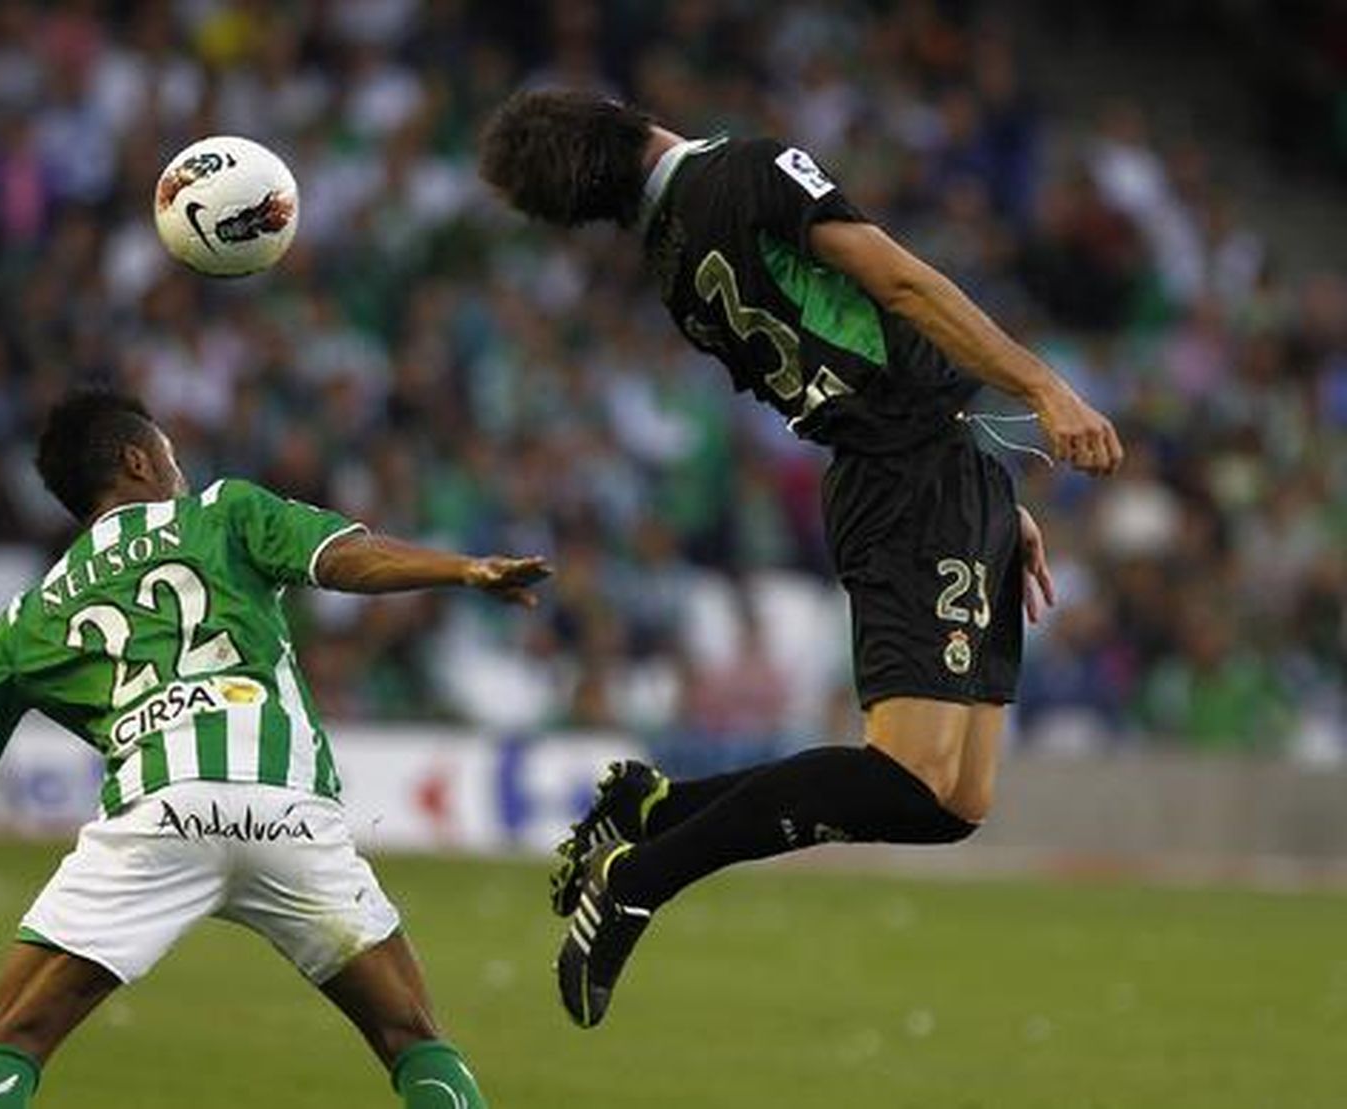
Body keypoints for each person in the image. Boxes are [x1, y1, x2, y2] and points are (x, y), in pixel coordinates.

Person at [479, 88, 1123, 1028]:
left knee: (952, 802)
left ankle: (653, 810)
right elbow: (897, 283)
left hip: (937, 470)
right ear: (615, 114)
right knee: (905, 774)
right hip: (906, 481)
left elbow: (858, 354)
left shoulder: (670, 261)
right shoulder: (742, 171)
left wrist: (983, 491)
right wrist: (1044, 386)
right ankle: (642, 876)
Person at [0, 390, 549, 1107]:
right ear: (138, 460)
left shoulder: (30, 615)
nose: (180, 469)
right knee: (412, 1033)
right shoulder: (223, 510)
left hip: (158, 818)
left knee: (13, 1038)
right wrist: (460, 569)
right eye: (171, 455)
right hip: (287, 816)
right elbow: (343, 559)